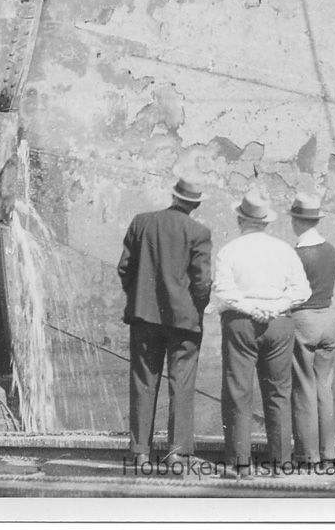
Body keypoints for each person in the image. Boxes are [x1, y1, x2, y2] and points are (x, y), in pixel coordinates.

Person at [211, 187, 311, 475]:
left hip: (241, 322)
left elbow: (225, 292)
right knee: (279, 392)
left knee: (238, 391)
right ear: (266, 222)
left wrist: (252, 308)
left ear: (241, 220)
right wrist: (276, 305)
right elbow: (301, 290)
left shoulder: (229, 250)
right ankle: (281, 464)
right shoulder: (284, 250)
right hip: (279, 322)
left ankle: (240, 465)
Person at [117, 170, 211, 465]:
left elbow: (124, 268)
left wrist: (139, 298)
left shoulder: (142, 222)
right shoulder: (199, 233)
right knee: (181, 383)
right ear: (195, 205)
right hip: (184, 321)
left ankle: (140, 452)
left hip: (144, 318)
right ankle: (177, 454)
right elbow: (202, 282)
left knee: (143, 381)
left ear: (173, 196)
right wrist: (196, 307)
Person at [289, 192, 335, 466]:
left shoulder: (296, 254)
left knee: (304, 388)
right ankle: (328, 453)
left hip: (304, 320)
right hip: (328, 319)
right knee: (324, 387)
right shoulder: (331, 250)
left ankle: (308, 455)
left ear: (296, 221)